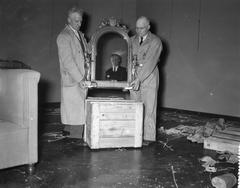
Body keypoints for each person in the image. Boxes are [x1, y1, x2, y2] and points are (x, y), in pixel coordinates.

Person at [56, 6, 88, 138]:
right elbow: (68, 62)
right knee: (76, 115)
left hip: (81, 79)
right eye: (76, 21)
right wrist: (80, 79)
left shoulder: (80, 35)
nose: (79, 24)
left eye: (81, 21)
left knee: (75, 113)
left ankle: (70, 137)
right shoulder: (64, 36)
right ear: (68, 20)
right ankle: (75, 146)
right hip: (73, 80)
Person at [130, 16, 162, 145]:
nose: (139, 31)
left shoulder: (155, 41)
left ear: (148, 27)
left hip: (149, 77)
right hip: (134, 77)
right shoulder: (131, 40)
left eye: (142, 28)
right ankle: (135, 134)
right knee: (134, 106)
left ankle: (148, 137)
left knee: (149, 108)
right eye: (137, 28)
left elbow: (150, 62)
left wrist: (139, 78)